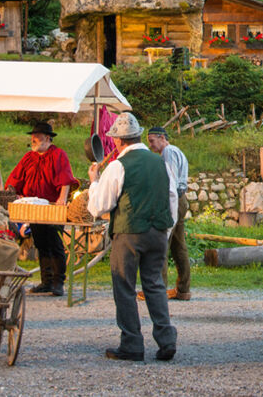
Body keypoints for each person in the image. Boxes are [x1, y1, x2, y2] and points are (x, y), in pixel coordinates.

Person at [87, 112, 178, 362]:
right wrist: (166, 230)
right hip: (159, 232)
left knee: (125, 286)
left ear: (117, 141)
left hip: (129, 233)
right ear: (138, 135)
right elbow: (173, 199)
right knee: (155, 285)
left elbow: (99, 206)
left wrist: (94, 182)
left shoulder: (118, 165)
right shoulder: (162, 163)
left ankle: (132, 344)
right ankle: (166, 339)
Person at [5, 122, 78, 297]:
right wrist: (13, 193)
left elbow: (65, 178)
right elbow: (16, 177)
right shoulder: (29, 157)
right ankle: (46, 281)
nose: (33, 140)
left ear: (47, 138)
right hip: (34, 208)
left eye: (36, 137)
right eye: (32, 137)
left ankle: (58, 282)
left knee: (54, 243)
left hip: (52, 206)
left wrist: (62, 198)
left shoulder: (58, 155)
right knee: (41, 243)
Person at [146, 126, 191, 301]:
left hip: (173, 199)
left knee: (162, 243)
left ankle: (159, 289)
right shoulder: (178, 151)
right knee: (179, 245)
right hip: (182, 199)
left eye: (152, 141)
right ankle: (183, 289)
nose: (150, 145)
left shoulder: (168, 153)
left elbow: (169, 180)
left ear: (162, 138)